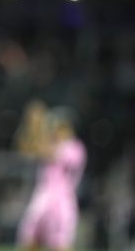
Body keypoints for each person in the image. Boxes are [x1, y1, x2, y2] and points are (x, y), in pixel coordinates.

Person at [15, 104, 86, 251]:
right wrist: (30, 128)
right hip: (43, 197)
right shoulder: (55, 144)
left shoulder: (75, 147)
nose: (53, 130)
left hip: (62, 202)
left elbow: (50, 154)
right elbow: (26, 150)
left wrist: (36, 127)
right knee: (29, 241)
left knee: (59, 244)